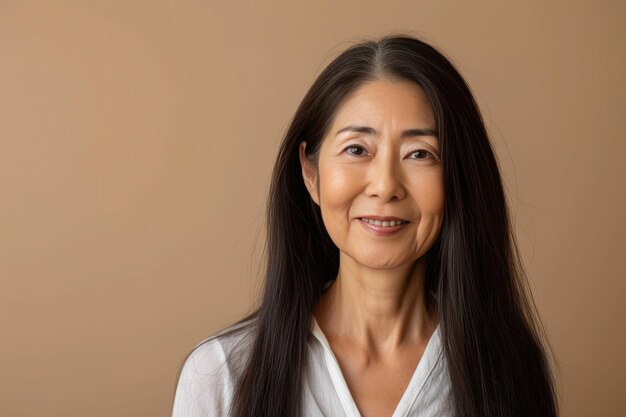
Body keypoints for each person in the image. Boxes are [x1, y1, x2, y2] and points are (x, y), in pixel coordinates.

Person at [171, 34, 558, 417]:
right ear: (310, 171)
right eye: (357, 149)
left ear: (459, 178)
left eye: (420, 153)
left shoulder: (512, 371)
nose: (386, 186)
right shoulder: (221, 374)